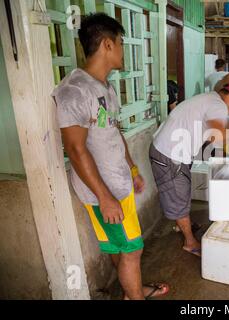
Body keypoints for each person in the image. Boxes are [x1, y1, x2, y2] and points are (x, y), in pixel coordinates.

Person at [52, 13, 169, 300]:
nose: (122, 50)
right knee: (132, 248)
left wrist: (131, 169)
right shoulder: (74, 90)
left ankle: (133, 290)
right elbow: (76, 150)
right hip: (102, 192)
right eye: (120, 43)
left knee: (122, 247)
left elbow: (113, 132)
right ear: (107, 44)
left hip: (118, 184)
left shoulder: (106, 86)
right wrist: (104, 197)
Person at [149, 82, 229, 257]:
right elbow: (217, 135)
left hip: (170, 150)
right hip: (170, 154)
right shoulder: (218, 105)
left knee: (181, 190)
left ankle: (183, 224)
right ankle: (190, 242)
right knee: (178, 194)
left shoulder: (209, 98)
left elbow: (214, 132)